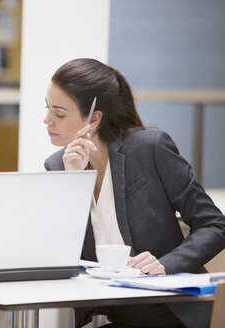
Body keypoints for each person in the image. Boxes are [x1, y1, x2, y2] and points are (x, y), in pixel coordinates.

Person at [43, 58, 225, 328]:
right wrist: (73, 181)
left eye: (59, 114)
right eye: (47, 109)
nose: (46, 121)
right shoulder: (58, 166)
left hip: (173, 313)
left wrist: (165, 264)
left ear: (93, 118)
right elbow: (62, 254)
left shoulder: (149, 148)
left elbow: (214, 224)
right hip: (122, 317)